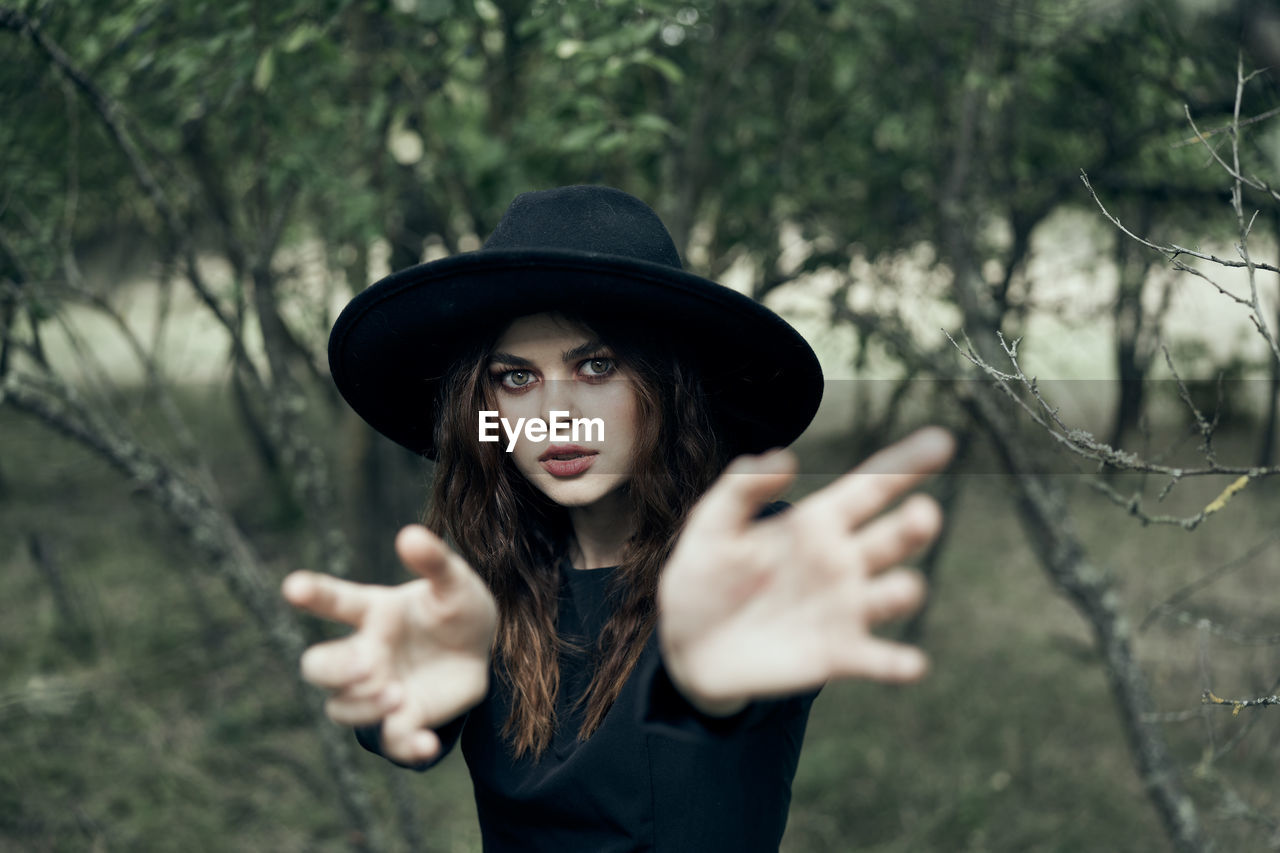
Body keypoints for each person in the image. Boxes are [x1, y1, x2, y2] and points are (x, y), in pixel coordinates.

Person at [281, 186, 953, 852]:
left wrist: (703, 681)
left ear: (665, 387)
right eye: (516, 378)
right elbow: (400, 715)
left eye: (596, 365)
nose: (556, 412)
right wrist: (398, 688)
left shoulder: (741, 560)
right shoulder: (485, 590)